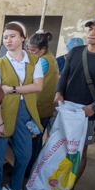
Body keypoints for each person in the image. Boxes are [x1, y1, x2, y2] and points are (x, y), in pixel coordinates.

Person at [54, 14, 95, 190]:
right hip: (65, 109)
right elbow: (65, 75)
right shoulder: (75, 52)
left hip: (87, 113)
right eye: (90, 29)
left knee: (79, 150)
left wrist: (94, 107)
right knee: (58, 145)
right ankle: (52, 181)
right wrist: (58, 92)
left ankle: (69, 188)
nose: (92, 33)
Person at [0, 22, 43, 190]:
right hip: (1, 113)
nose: (8, 40)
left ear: (23, 37)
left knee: (25, 154)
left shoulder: (34, 61)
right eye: (5, 37)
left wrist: (11, 89)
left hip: (25, 112)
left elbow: (38, 86)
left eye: (12, 36)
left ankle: (13, 187)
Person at [26, 31, 60, 176]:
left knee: (33, 139)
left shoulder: (42, 61)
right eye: (28, 49)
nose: (30, 52)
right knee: (38, 138)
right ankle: (33, 167)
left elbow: (30, 81)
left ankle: (27, 170)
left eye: (33, 50)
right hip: (47, 106)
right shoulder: (51, 57)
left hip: (39, 107)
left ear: (42, 49)